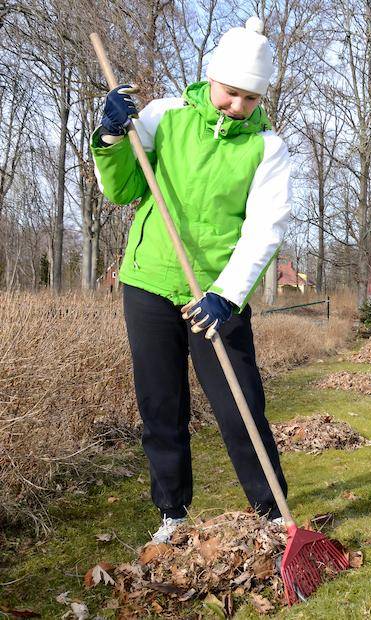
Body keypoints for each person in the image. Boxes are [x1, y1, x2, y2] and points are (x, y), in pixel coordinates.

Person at [91, 16, 291, 544]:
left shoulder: (266, 148)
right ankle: (172, 513)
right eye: (231, 92)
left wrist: (227, 295)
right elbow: (123, 190)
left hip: (216, 294)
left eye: (250, 98)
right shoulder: (166, 116)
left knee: (239, 403)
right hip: (151, 283)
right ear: (212, 77)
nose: (237, 106)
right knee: (161, 404)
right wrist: (111, 137)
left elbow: (264, 231)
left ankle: (272, 513)